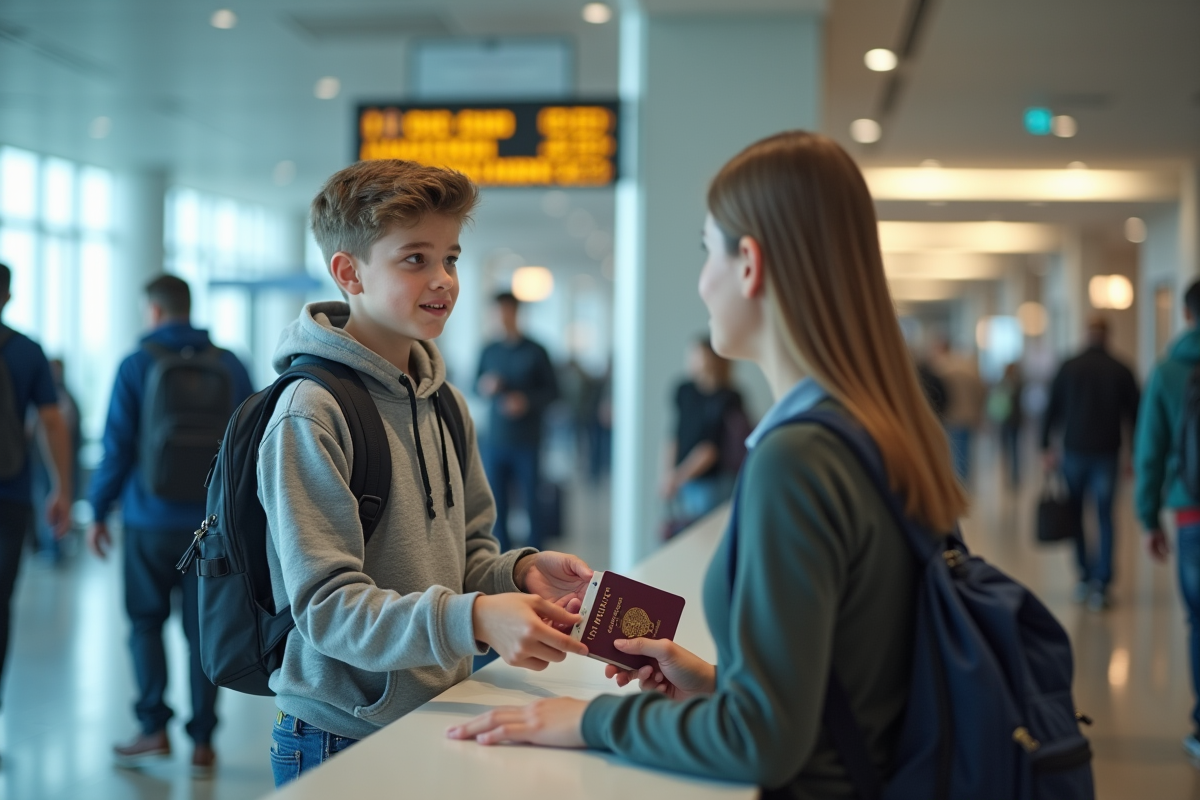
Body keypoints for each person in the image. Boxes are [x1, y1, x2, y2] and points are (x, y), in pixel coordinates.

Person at [448, 131, 968, 797]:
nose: (702, 279)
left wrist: (595, 719)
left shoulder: (801, 458)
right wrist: (720, 687)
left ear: (748, 262)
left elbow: (763, 745)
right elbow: (858, 683)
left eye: (706, 250)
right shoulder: (879, 429)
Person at [264, 159, 592, 787]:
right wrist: (474, 620)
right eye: (415, 259)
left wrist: (517, 572)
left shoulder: (444, 399)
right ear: (348, 272)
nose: (443, 280)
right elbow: (328, 610)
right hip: (341, 738)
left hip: (439, 710)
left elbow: (466, 554)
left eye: (452, 258)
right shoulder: (311, 414)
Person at [87, 275, 254, 776]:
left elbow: (115, 445)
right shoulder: (230, 363)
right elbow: (250, 446)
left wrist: (97, 509)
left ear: (155, 312)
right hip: (211, 527)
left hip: (147, 521)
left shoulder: (136, 363)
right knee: (203, 631)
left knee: (144, 623)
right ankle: (203, 740)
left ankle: (152, 729)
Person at [0, 262, 73, 766]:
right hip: (12, 497)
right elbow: (51, 421)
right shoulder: (25, 350)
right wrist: (62, 489)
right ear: (8, 294)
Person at [1134, 279, 1200, 763]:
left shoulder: (1169, 369)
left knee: (1199, 619)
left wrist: (1147, 516)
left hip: (1190, 509)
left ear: (1185, 313)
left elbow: (1150, 450)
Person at [1041, 315, 1140, 611]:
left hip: (1074, 452)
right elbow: (1135, 416)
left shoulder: (1069, 367)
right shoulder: (1121, 368)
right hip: (1108, 453)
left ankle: (1084, 576)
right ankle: (1103, 583)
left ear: (1086, 333)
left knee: (1076, 515)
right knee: (1105, 516)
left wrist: (1046, 446)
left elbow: (1052, 407)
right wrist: (1133, 454)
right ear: (1108, 335)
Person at [475, 292, 559, 550]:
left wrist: (526, 402)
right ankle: (504, 560)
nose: (501, 318)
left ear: (516, 313)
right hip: (496, 440)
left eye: (506, 311)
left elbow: (554, 392)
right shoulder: (488, 350)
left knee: (532, 501)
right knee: (497, 503)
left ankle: (537, 555)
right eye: (497, 312)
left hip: (528, 440)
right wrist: (486, 387)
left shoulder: (536, 350)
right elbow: (475, 385)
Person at [660, 337, 747, 534]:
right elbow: (675, 435)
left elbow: (710, 449)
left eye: (695, 355)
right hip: (684, 480)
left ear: (710, 359)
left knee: (704, 540)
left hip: (713, 483)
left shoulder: (728, 398)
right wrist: (669, 475)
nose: (690, 359)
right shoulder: (684, 390)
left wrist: (676, 477)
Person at [28, 358, 82, 563]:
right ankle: (52, 548)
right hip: (43, 462)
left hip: (50, 463)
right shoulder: (64, 397)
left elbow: (55, 427)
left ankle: (54, 550)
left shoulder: (59, 399)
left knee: (51, 503)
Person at [931, 336, 985, 482]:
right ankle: (964, 481)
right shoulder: (969, 368)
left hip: (952, 415)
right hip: (969, 415)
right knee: (965, 450)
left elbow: (939, 394)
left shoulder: (942, 369)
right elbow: (980, 392)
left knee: (955, 451)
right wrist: (978, 411)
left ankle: (959, 482)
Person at [989, 362, 1024, 489]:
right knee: (1014, 449)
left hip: (1006, 420)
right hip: (1014, 420)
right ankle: (1013, 475)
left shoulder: (1004, 383)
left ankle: (1010, 475)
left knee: (1007, 449)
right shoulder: (1018, 382)